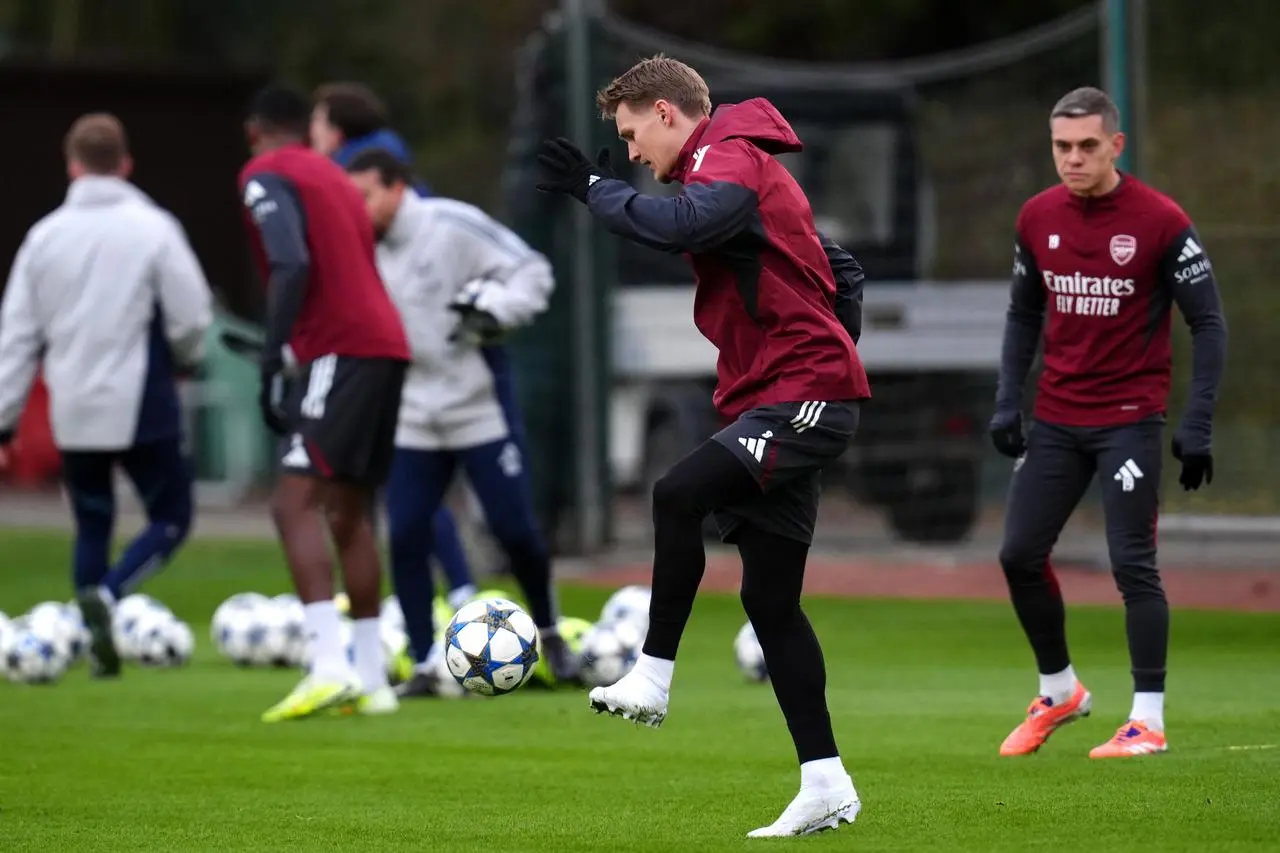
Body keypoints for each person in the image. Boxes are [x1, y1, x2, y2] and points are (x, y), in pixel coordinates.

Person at [535, 56, 870, 838]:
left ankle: (653, 674)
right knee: (769, 601)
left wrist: (593, 188)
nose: (632, 155)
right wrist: (824, 328)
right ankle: (826, 781)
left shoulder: (728, 154)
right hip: (778, 390)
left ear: (663, 112)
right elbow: (837, 271)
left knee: (674, 492)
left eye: (630, 136)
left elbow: (677, 226)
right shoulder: (733, 165)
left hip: (802, 393)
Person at [990, 87, 1226, 759]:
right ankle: (1060, 688)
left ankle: (1147, 720)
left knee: (1133, 563)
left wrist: (1197, 420)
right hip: (1059, 418)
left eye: (1087, 146)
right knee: (1018, 554)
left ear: (1115, 145)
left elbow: (1208, 322)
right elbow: (1023, 314)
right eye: (1062, 146)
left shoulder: (1159, 220)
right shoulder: (1037, 217)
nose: (1073, 158)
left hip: (1129, 420)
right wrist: (1009, 398)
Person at [344, 147, 578, 697]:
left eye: (365, 195)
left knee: (513, 527)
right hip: (409, 411)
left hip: (476, 404)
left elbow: (532, 270)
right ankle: (426, 662)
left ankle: (549, 632)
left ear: (397, 187)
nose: (356, 208)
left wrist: (496, 307)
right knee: (404, 532)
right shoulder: (358, 245)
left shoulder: (450, 223)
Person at [0, 113, 212, 678]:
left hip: (73, 405)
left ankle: (98, 644)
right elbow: (192, 314)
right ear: (125, 164)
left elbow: (17, 335)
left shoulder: (43, 238)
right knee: (171, 514)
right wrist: (186, 361)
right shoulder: (152, 227)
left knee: (92, 523)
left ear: (71, 165)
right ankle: (110, 597)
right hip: (143, 399)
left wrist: (4, 420)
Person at [239, 86, 412, 721]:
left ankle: (327, 664)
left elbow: (290, 261)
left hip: (341, 349)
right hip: (388, 345)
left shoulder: (265, 171)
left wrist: (272, 355)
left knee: (292, 504)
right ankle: (373, 682)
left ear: (256, 131)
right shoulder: (337, 178)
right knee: (348, 510)